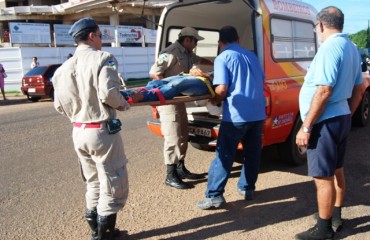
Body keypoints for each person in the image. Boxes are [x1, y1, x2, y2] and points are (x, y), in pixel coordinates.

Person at [52, 18, 131, 240]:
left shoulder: (62, 68)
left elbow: (58, 105)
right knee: (114, 181)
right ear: (91, 36)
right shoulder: (103, 59)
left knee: (93, 182)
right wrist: (123, 104)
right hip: (101, 131)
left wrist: (78, 115)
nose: (101, 39)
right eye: (100, 35)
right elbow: (109, 94)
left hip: (78, 131)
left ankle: (96, 231)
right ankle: (105, 235)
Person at [295, 7, 363, 240]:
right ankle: (334, 215)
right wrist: (347, 113)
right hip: (340, 117)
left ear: (321, 25)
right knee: (337, 170)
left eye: (316, 27)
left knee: (322, 177)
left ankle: (323, 230)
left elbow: (323, 90)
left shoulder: (329, 48)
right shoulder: (351, 47)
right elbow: (360, 88)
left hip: (325, 121)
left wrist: (306, 127)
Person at [197, 26, 266, 210]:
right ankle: (247, 188)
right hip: (258, 113)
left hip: (237, 116)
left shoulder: (222, 57)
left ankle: (214, 196)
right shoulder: (252, 56)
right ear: (238, 40)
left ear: (220, 43)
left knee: (224, 154)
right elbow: (261, 79)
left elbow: (221, 89)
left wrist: (214, 99)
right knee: (252, 153)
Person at [149, 27, 213, 189]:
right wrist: (165, 93)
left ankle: (180, 168)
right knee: (173, 136)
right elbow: (155, 73)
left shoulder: (188, 53)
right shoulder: (170, 53)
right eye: (195, 41)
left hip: (179, 101)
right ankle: (170, 175)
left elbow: (199, 59)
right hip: (169, 101)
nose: (196, 44)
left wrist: (215, 62)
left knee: (183, 133)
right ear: (187, 40)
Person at [122, 68, 213, 103]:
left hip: (205, 83)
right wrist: (195, 70)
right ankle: (125, 94)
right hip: (194, 76)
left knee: (176, 85)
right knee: (156, 83)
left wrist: (206, 75)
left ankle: (144, 96)